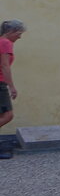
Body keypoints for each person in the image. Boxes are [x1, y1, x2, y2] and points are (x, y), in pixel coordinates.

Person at [0, 19, 24, 159]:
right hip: (0, 83)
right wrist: (11, 86)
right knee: (7, 115)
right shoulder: (5, 43)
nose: (20, 37)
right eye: (19, 33)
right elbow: (4, 66)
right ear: (10, 32)